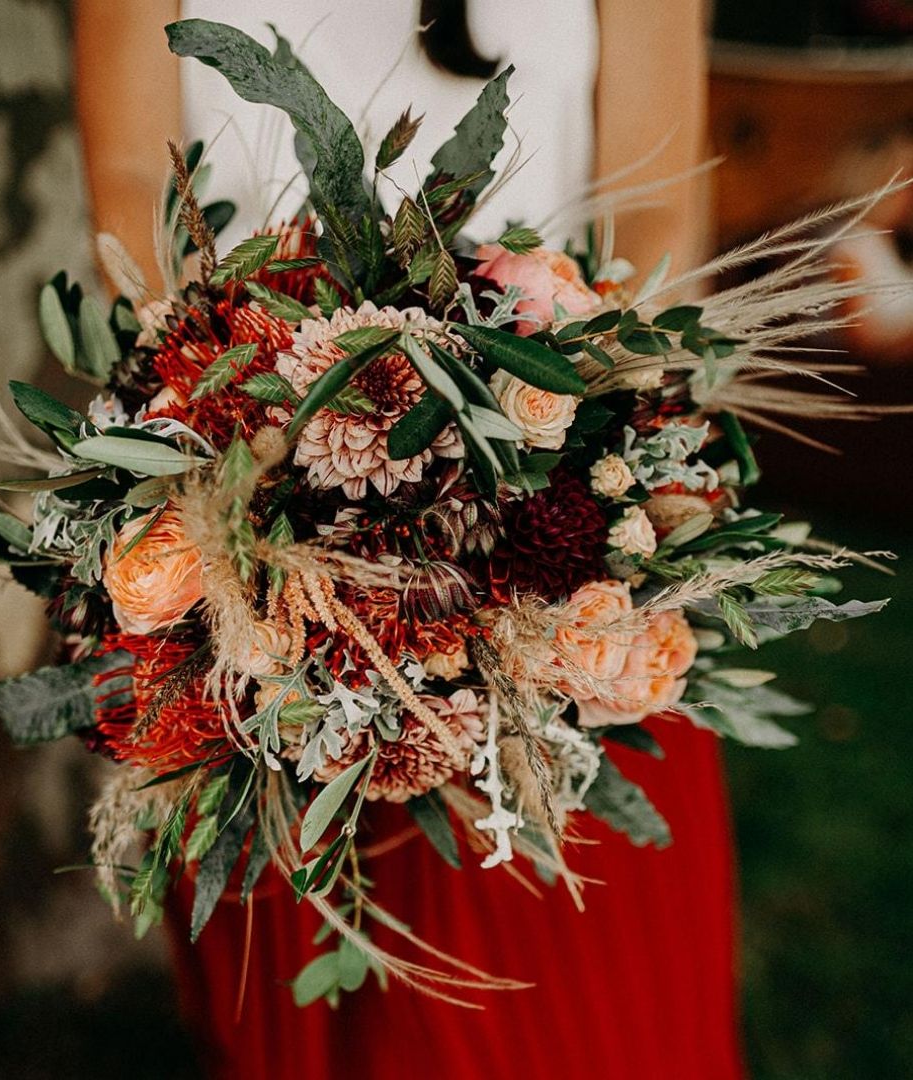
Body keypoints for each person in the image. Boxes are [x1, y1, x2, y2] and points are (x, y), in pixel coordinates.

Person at [74, 3, 742, 1077]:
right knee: (312, 1016)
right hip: (257, 559)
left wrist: (552, 430)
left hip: (556, 548)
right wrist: (258, 438)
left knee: (595, 1024)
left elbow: (660, 205)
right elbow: (122, 186)